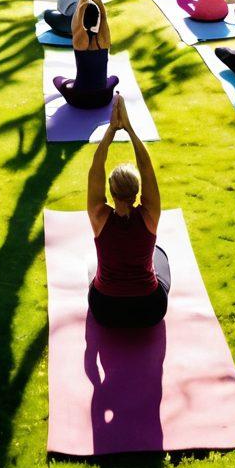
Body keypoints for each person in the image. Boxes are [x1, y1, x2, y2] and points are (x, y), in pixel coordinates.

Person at [86, 94, 170, 328]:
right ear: (137, 192)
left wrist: (112, 130)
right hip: (149, 310)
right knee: (161, 259)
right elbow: (146, 167)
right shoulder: (150, 216)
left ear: (111, 192)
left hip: (106, 310)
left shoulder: (99, 216)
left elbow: (96, 168)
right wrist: (130, 129)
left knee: (93, 269)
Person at [53, 0, 119, 109]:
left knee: (58, 79)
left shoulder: (78, 39)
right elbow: (103, 12)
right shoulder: (104, 40)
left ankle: (70, 83)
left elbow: (78, 11)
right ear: (97, 19)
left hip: (79, 99)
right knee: (114, 79)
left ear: (81, 18)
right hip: (103, 98)